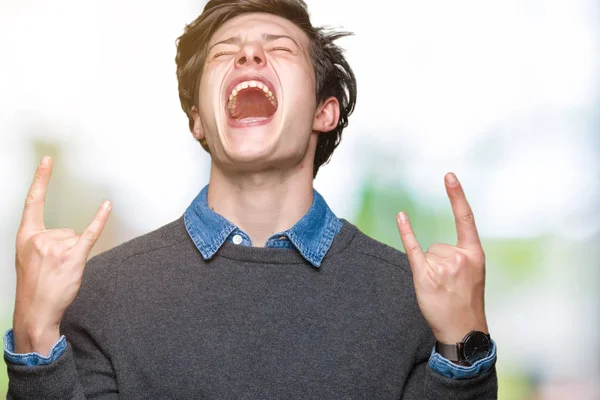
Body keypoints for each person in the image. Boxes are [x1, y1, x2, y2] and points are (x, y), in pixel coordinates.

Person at [4, 0, 498, 398]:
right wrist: (34, 342)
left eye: (279, 48)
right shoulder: (99, 293)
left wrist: (465, 347)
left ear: (324, 113)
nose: (248, 55)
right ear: (199, 119)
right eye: (225, 53)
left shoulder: (414, 299)